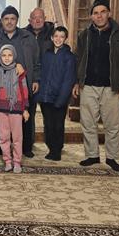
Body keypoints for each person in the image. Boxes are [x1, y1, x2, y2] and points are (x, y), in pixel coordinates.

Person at [72, 0, 119, 172]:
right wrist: (76, 81)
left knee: (113, 125)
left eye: (102, 12)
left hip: (112, 87)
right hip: (88, 86)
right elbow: (78, 60)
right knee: (88, 123)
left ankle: (112, 157)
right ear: (91, 16)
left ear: (109, 13)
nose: (99, 16)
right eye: (95, 13)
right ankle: (92, 155)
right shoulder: (84, 35)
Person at [0, 6, 40, 158]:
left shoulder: (28, 37)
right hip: (3, 85)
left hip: (24, 84)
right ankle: (3, 147)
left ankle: (26, 147)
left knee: (26, 115)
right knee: (3, 116)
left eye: (12, 19)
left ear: (17, 20)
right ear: (2, 21)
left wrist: (35, 79)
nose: (9, 22)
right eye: (6, 19)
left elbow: (36, 60)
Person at [36, 26, 76, 161]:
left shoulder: (69, 57)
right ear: (52, 38)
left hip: (59, 98)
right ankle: (51, 147)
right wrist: (40, 95)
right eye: (56, 36)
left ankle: (56, 150)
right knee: (48, 124)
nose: (58, 39)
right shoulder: (46, 54)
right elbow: (42, 74)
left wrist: (61, 100)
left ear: (65, 39)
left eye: (62, 37)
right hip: (45, 97)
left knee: (58, 125)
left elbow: (68, 80)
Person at [0, 45, 30, 173]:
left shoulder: (19, 71)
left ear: (14, 56)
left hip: (16, 108)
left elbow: (24, 90)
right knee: (3, 137)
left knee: (17, 137)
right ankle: (7, 161)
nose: (6, 58)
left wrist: (25, 109)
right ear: (0, 57)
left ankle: (17, 162)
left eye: (9, 55)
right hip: (1, 109)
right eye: (4, 55)